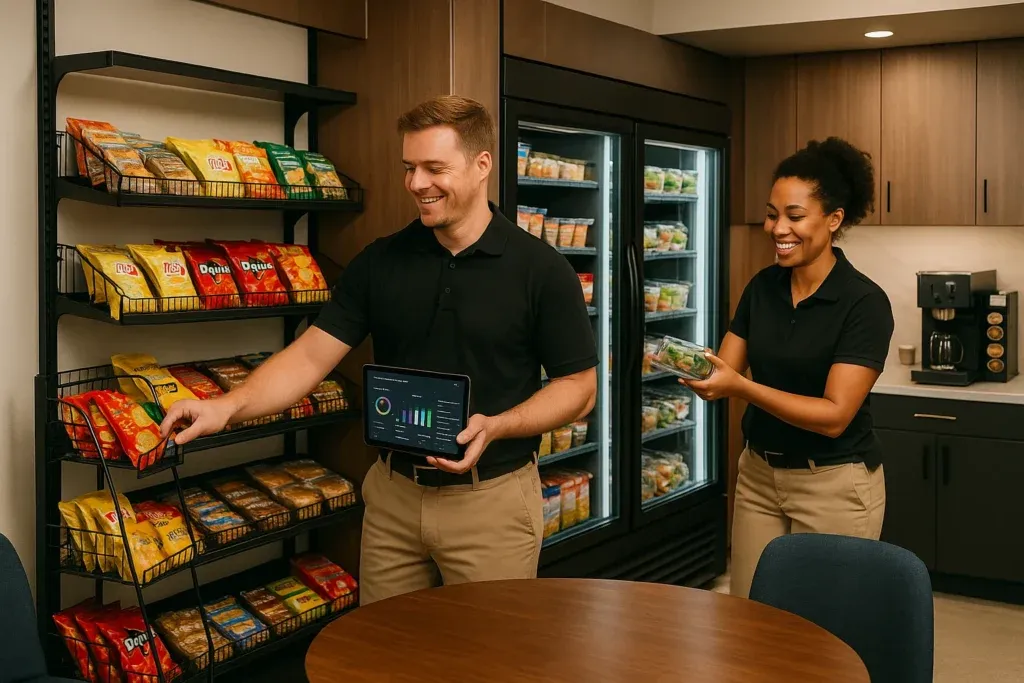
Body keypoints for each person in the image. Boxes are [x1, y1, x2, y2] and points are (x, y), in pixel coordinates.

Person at [159, 95, 598, 604]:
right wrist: (225, 406)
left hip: (492, 501)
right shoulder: (380, 262)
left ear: (482, 166)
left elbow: (578, 390)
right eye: (409, 167)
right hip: (392, 496)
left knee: (487, 662)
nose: (416, 184)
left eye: (435, 168)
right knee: (382, 659)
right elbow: (309, 357)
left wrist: (495, 425)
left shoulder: (541, 270)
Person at [682, 137, 894, 599]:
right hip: (758, 477)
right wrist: (687, 364)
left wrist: (740, 387)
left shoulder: (864, 303)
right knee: (751, 621)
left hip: (834, 485)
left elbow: (835, 416)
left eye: (794, 216)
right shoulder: (763, 287)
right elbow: (724, 368)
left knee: (825, 632)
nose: (778, 227)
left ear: (834, 219)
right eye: (772, 214)